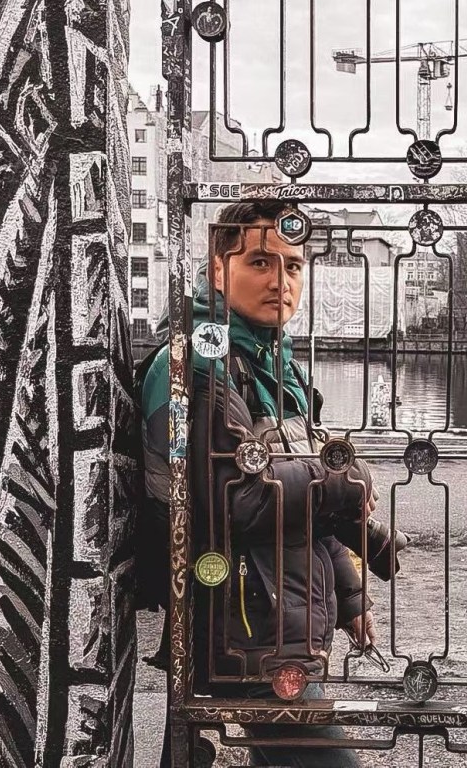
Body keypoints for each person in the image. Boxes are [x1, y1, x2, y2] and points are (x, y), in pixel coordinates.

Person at [139, 199, 378, 767]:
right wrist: (343, 477)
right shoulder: (196, 366)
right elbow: (239, 499)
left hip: (272, 618)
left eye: (293, 266)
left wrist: (349, 596)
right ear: (219, 271)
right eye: (261, 262)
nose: (280, 281)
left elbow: (305, 508)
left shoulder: (281, 371)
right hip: (232, 621)